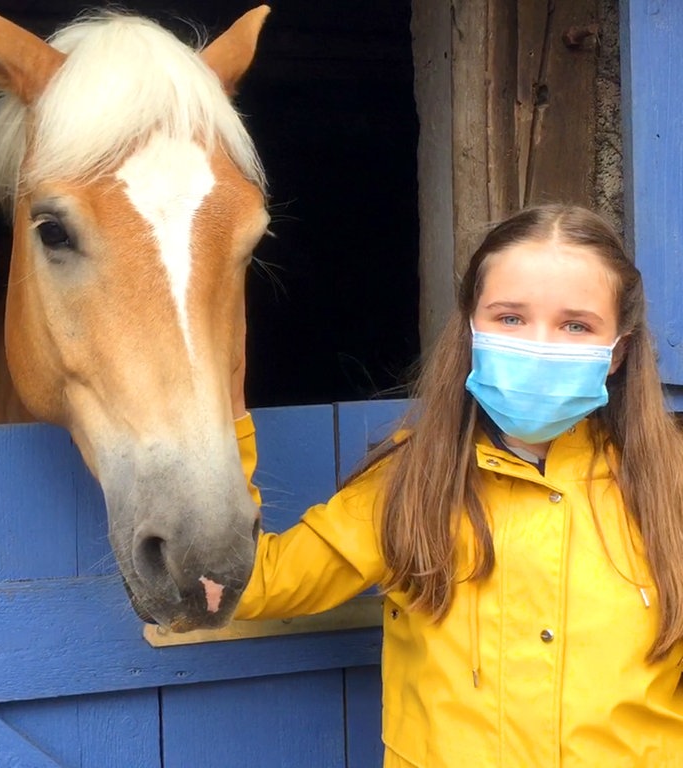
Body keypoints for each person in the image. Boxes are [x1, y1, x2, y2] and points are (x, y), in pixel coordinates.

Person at [232, 204, 683, 767]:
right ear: (471, 328)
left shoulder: (671, 488)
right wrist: (225, 409)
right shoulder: (408, 484)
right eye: (510, 318)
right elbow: (252, 585)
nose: (539, 345)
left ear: (616, 352)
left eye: (576, 325)